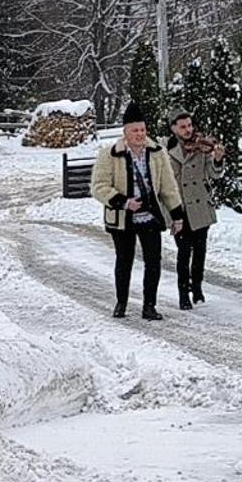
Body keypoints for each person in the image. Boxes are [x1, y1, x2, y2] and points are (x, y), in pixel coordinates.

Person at [90, 102, 185, 320]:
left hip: (149, 213)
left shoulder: (157, 153)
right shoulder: (110, 154)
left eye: (143, 130)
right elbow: (99, 186)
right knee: (125, 260)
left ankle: (149, 305)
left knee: (154, 261)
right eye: (135, 130)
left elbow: (169, 187)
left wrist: (177, 215)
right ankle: (121, 302)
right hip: (123, 216)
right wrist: (123, 201)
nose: (140, 134)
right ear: (125, 132)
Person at [165, 109, 221, 309]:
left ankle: (197, 286)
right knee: (183, 251)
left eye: (189, 125)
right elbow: (163, 184)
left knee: (200, 250)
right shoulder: (166, 149)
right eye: (183, 127)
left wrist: (217, 159)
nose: (188, 130)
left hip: (199, 205)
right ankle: (183, 293)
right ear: (173, 129)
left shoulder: (201, 146)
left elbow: (214, 174)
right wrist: (169, 214)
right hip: (179, 208)